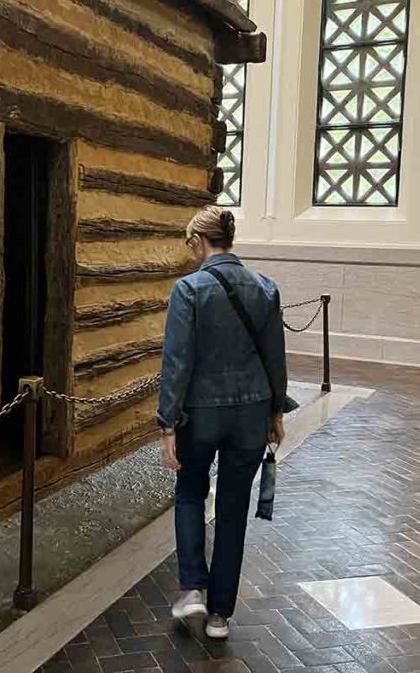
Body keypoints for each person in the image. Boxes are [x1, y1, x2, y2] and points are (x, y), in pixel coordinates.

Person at [157, 205, 287, 640]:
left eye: (190, 243)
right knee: (233, 511)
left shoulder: (188, 289)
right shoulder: (265, 288)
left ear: (198, 241)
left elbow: (176, 362)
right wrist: (275, 413)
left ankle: (193, 586)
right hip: (252, 414)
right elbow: (275, 358)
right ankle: (220, 616)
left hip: (202, 414)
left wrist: (168, 423)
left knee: (190, 493)